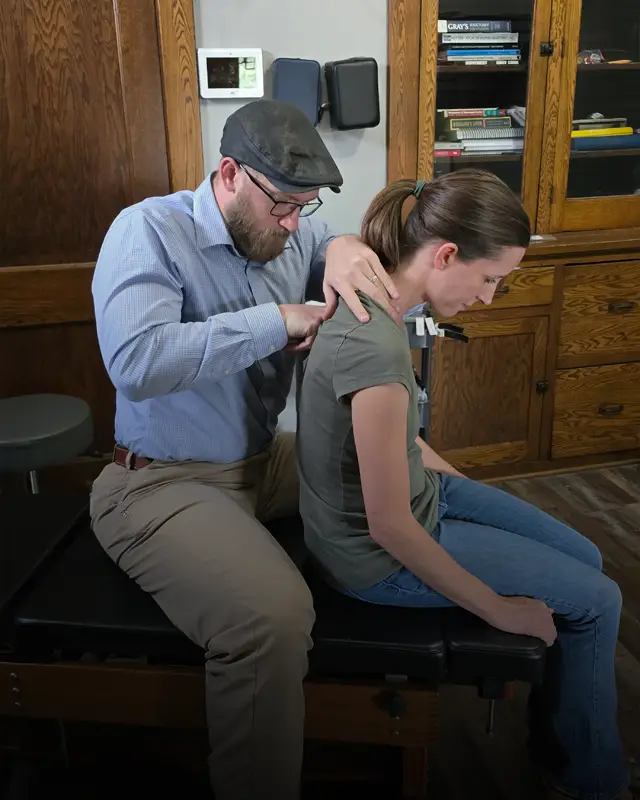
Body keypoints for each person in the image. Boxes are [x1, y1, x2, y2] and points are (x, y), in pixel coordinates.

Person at [89, 99, 400, 800]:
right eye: (284, 207)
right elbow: (136, 361)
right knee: (273, 618)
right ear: (230, 174)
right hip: (160, 484)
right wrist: (274, 321)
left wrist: (347, 248)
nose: (294, 225)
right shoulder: (147, 231)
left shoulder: (291, 227)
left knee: (399, 479)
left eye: (305, 208)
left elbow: (332, 244)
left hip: (262, 463)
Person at [297, 169, 633, 800]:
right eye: (489, 279)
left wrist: (479, 506)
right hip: (374, 560)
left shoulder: (379, 309)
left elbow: (401, 443)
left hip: (422, 497)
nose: (488, 297)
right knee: (601, 599)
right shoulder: (373, 346)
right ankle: (589, 781)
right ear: (445, 254)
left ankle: (561, 737)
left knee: (585, 559)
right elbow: (389, 525)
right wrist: (500, 609)